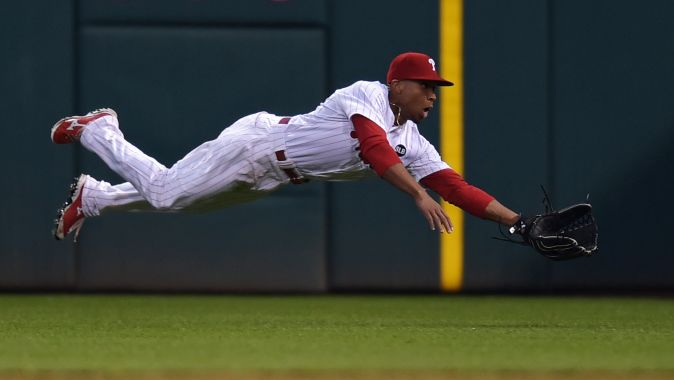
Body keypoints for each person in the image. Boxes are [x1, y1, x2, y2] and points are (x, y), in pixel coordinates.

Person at [50, 52, 520, 241]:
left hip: (274, 173)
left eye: (436, 89)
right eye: (426, 86)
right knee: (168, 194)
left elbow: (456, 188)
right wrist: (417, 194)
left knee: (180, 199)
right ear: (398, 85)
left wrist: (519, 223)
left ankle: (93, 198)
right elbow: (374, 148)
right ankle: (97, 130)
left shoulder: (413, 143)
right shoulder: (368, 95)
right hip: (258, 146)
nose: (433, 96)